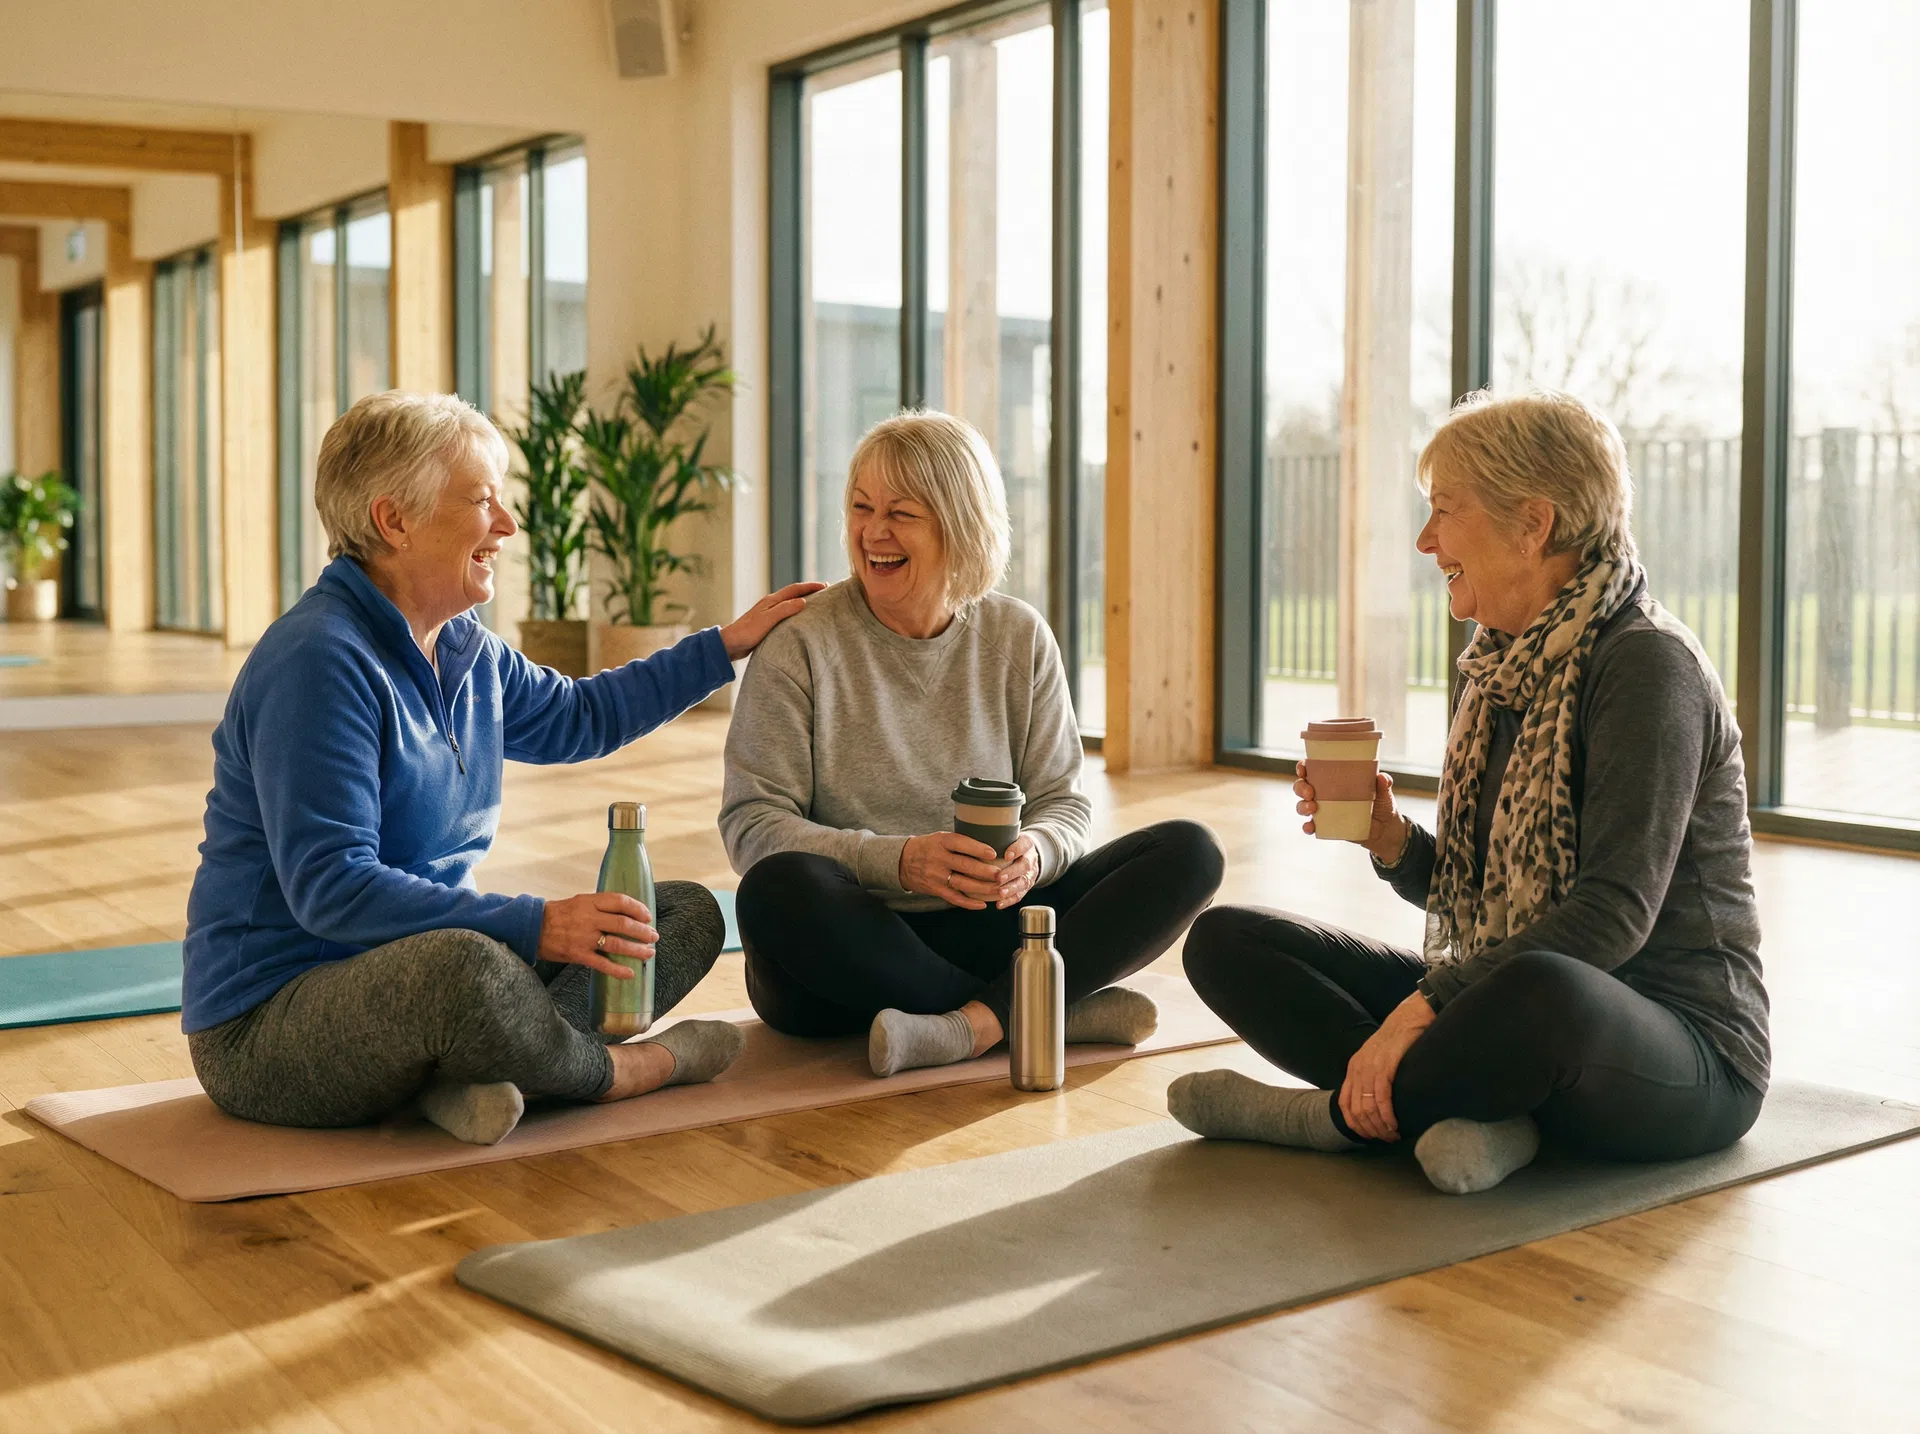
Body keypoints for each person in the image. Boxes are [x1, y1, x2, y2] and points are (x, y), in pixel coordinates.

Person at [183, 390, 821, 1146]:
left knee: (675, 914)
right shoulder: (318, 660)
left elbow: (580, 717)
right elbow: (333, 889)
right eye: (483, 501)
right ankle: (621, 1072)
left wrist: (724, 646)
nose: (508, 525)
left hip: (428, 981)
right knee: (466, 971)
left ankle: (473, 1074)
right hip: (269, 1025)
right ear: (394, 521)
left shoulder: (464, 647)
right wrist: (539, 925)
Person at [1173, 390, 1769, 1194]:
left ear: (1533, 524)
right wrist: (1390, 841)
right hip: (1513, 1013)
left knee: (1543, 990)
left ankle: (1329, 1120)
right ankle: (1482, 1114)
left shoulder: (1647, 664)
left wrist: (1422, 1008)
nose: (1427, 540)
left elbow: (1613, 914)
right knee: (1227, 941)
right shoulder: (1496, 668)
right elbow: (1486, 892)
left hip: (1684, 1048)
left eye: (1445, 511)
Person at [722, 411, 1224, 1077]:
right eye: (862, 507)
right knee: (775, 888)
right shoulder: (801, 642)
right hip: (850, 946)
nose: (873, 532)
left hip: (992, 925)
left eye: (901, 513)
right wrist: (902, 862)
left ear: (959, 525)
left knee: (1190, 851)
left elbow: (1064, 803)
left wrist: (1035, 854)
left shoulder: (1019, 636)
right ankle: (1042, 1013)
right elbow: (752, 824)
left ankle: (973, 1025)